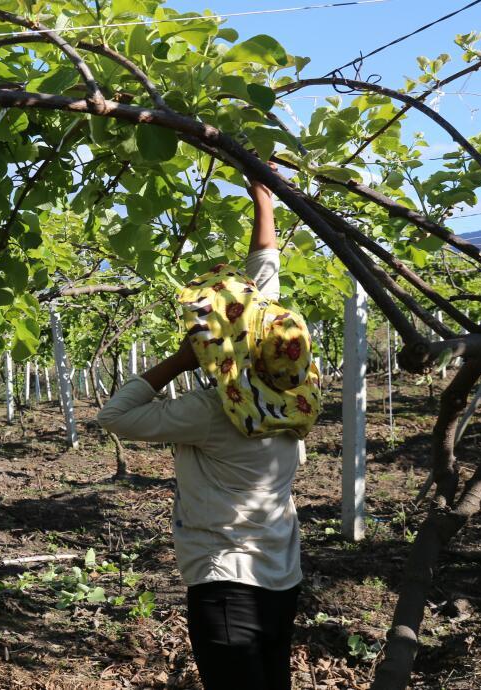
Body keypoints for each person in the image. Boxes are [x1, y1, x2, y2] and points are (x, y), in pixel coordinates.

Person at [98, 171, 321, 690]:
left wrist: (177, 362)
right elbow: (264, 288)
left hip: (226, 584)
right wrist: (263, 201)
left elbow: (115, 416)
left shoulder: (212, 410)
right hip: (281, 577)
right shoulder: (291, 389)